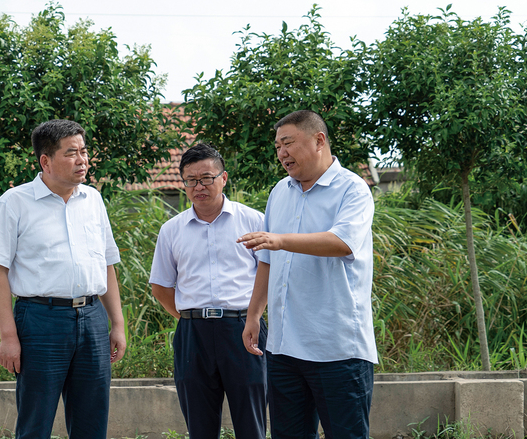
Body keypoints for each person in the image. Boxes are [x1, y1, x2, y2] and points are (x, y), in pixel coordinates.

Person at [239, 110, 376, 439]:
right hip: (284, 348)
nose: (281, 153)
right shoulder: (279, 192)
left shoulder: (352, 190)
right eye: (277, 147)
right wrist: (254, 315)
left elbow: (342, 243)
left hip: (337, 349)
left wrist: (281, 240)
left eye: (288, 143)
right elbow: (267, 259)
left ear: (319, 140)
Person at [0, 119, 126, 438]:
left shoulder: (93, 200)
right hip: (40, 321)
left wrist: (117, 324)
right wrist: (8, 336)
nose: (82, 160)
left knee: (92, 421)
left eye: (84, 151)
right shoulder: (14, 203)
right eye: (71, 153)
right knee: (36, 421)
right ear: (45, 161)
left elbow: (107, 264)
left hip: (92, 318)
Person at [149, 143, 268, 438]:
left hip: (244, 329)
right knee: (199, 424)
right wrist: (188, 317)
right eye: (191, 180)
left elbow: (268, 275)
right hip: (193, 334)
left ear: (223, 178)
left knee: (251, 421)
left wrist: (254, 316)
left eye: (206, 178)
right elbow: (160, 286)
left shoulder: (253, 221)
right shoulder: (171, 230)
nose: (199, 187)